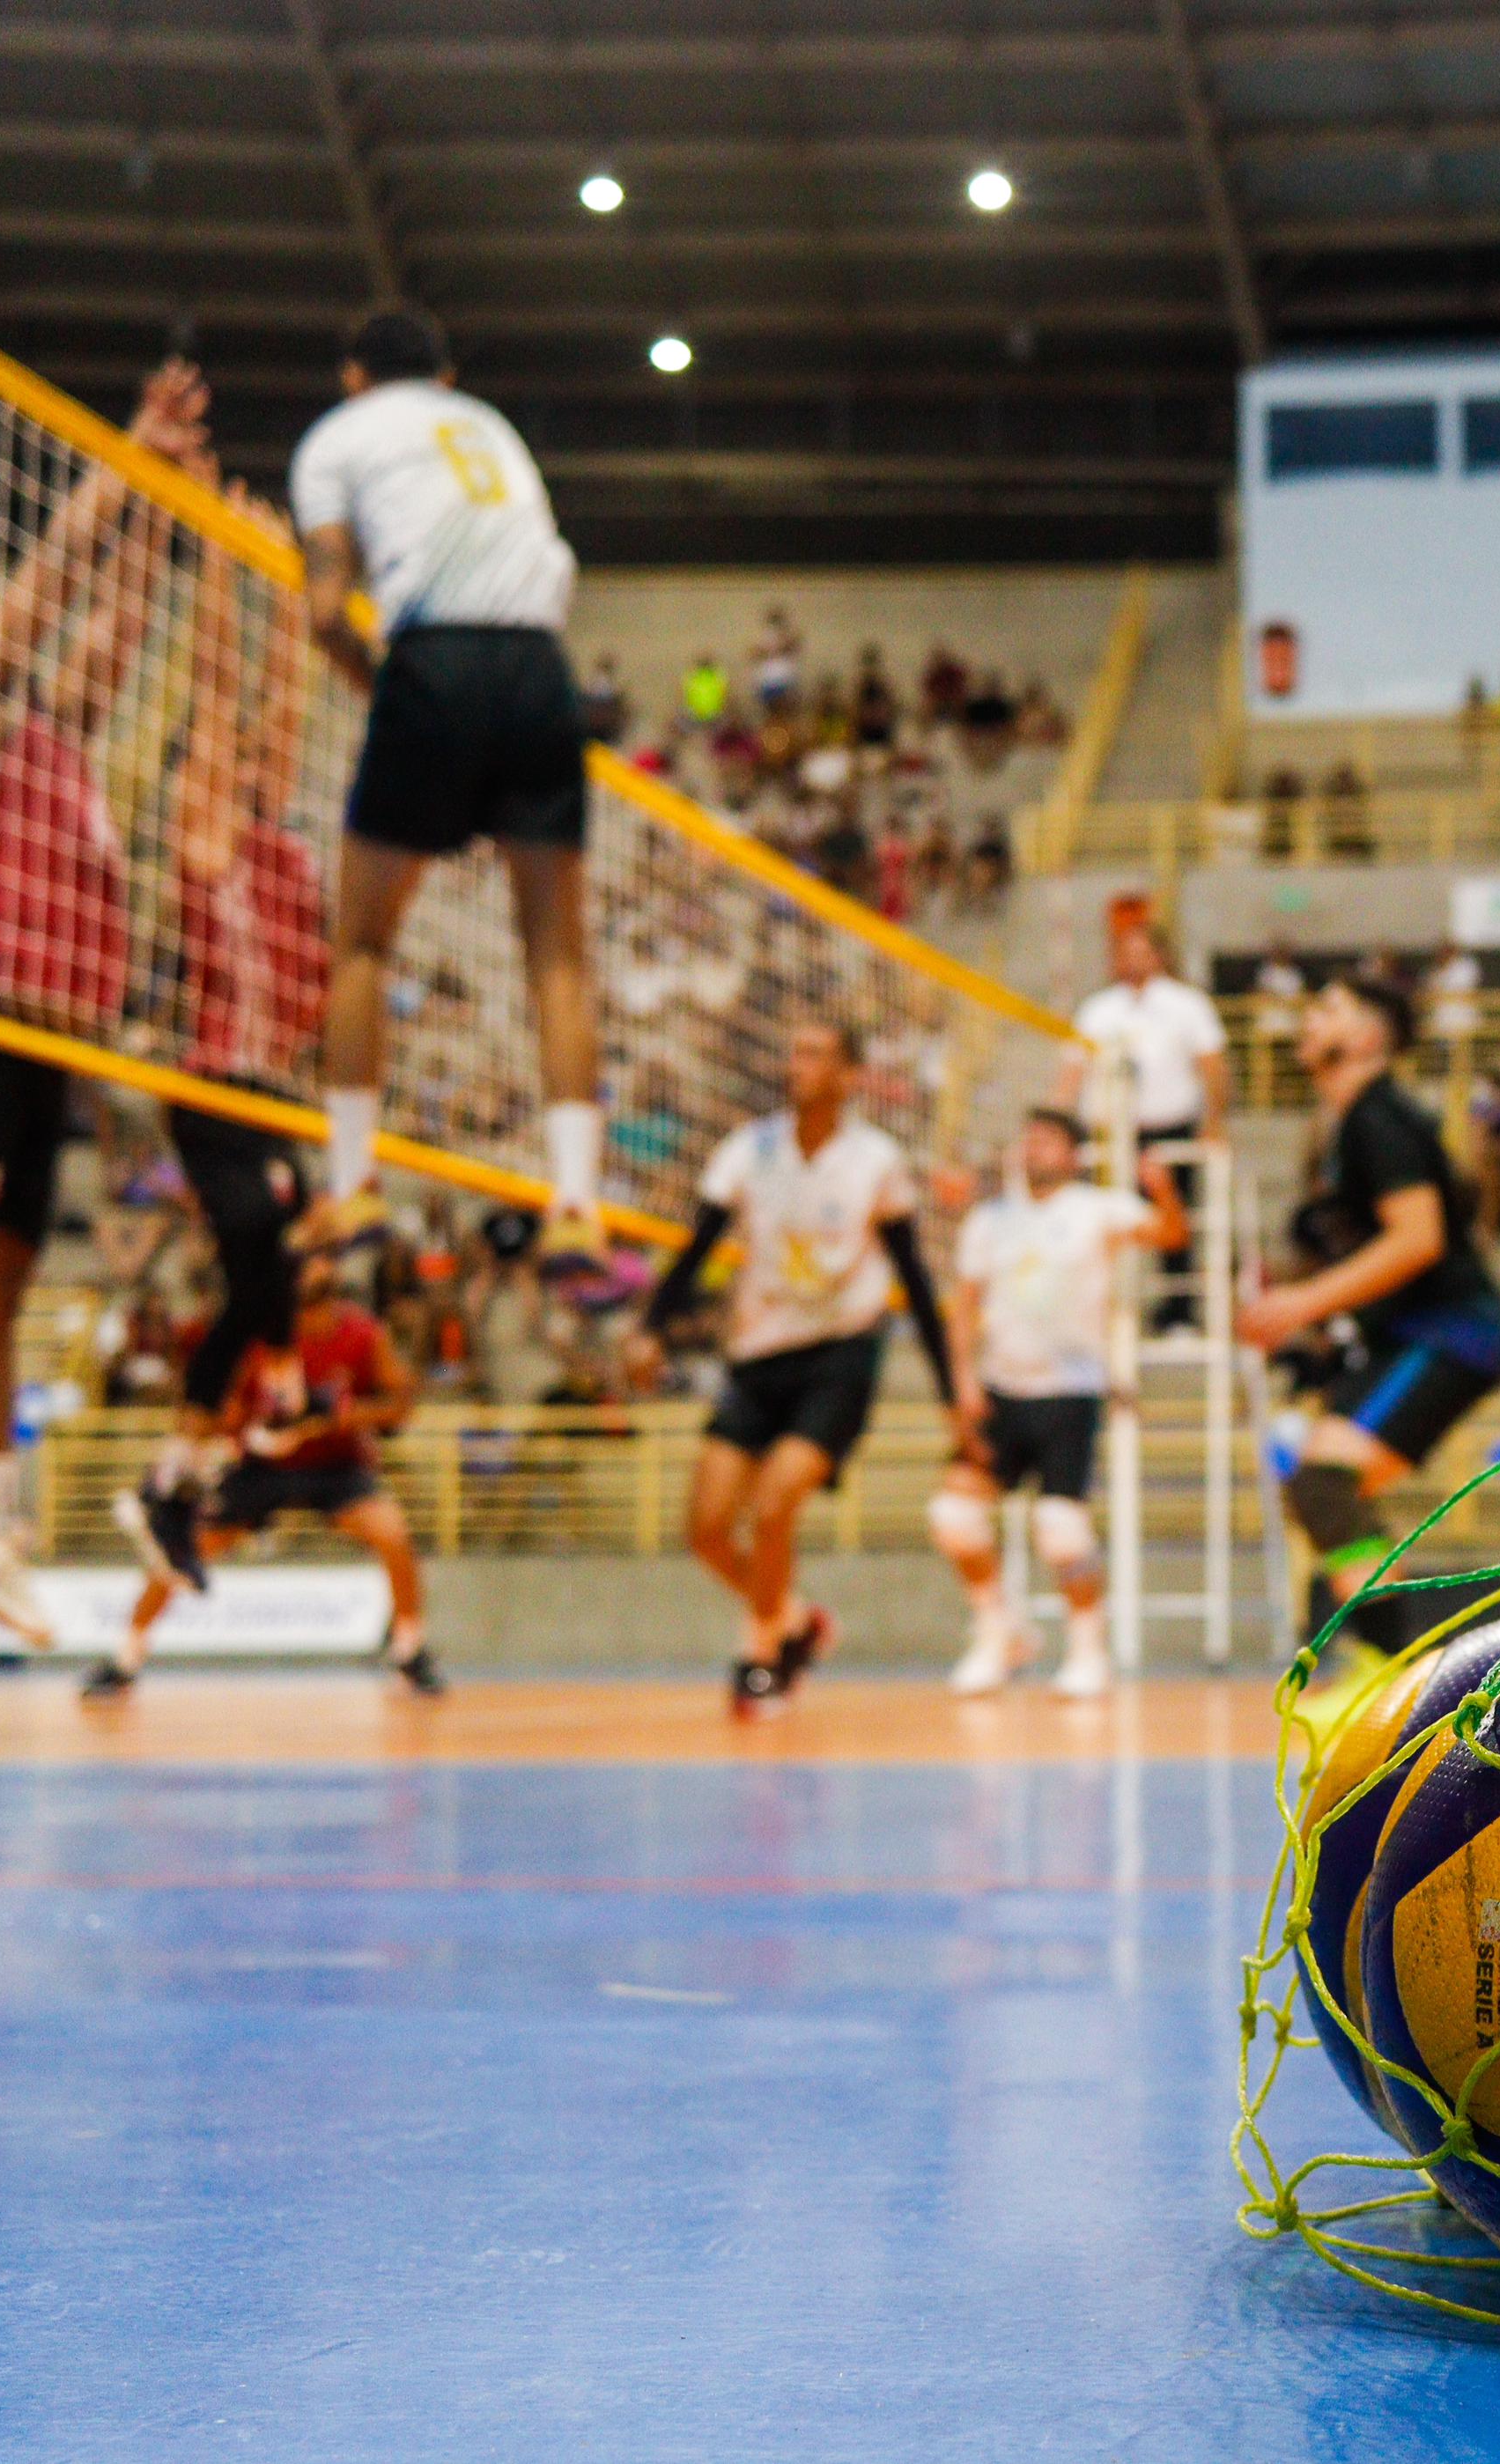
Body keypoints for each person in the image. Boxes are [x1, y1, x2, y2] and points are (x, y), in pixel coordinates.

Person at [0, 357, 214, 1650]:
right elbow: (54, 587)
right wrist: (124, 456)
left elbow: (117, 614)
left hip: (37, 1045)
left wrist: (171, 497)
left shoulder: (67, 746)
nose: (59, 659)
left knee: (5, 1283)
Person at [286, 309, 605, 1283]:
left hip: (435, 661)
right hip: (541, 669)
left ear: (352, 376)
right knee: (557, 957)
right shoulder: (490, 430)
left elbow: (325, 607)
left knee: (363, 945)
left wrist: (385, 690)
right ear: (447, 373)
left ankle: (352, 1185)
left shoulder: (337, 439)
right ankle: (578, 1207)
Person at [116, 483, 330, 1605]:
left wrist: (287, 589)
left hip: (274, 1094)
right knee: (258, 1238)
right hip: (210, 1083)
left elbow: (278, 708)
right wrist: (214, 561)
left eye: (257, 759)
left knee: (259, 1287)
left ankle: (171, 1478)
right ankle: (278, 1381)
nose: (251, 759)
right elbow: (219, 697)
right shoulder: (212, 838)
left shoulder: (279, 829)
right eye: (230, 758)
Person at [619, 1019, 957, 1705]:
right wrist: (651, 1327)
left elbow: (916, 1279)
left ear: (849, 1076)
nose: (796, 1063)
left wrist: (952, 1390)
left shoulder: (875, 1160)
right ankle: (797, 1620)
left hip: (840, 1356)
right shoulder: (749, 1150)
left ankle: (763, 1652)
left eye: (814, 1053)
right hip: (758, 1355)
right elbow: (698, 1247)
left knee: (774, 1508)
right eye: (796, 1051)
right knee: (708, 1531)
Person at [1234, 976, 1500, 1691]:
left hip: (1451, 1332)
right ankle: (1404, 1671)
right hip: (1415, 1333)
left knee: (1325, 1487)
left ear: (1367, 1038)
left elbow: (1416, 1239)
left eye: (1329, 1007)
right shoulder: (1353, 1122)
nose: (1308, 1016)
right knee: (1324, 1494)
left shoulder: (1377, 1119)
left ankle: (1403, 1678)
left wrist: (1302, 1304)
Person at [89, 1253, 440, 1698]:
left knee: (393, 1534)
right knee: (177, 1549)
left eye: (319, 1299)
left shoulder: (364, 1334)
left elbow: (400, 1406)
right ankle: (126, 1656)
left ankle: (409, 1648)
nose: (310, 1314)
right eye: (302, 1302)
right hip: (260, 1467)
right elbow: (226, 1411)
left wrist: (335, 1417)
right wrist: (250, 1429)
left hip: (336, 1466)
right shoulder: (260, 1339)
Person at [926, 1108, 1185, 1699]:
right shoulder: (991, 1220)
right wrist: (961, 1382)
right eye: (1028, 1139)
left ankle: (1089, 1647)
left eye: (1047, 1141)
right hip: (1000, 1390)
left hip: (1070, 1389)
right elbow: (964, 1306)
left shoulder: (1097, 1209)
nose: (1033, 1149)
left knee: (1061, 1527)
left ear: (1073, 1154)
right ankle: (1000, 1631)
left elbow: (1170, 1236)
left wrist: (1164, 1194)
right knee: (953, 1517)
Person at [1060, 915, 1227, 1335]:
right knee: (1103, 1224)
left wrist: (1215, 1122)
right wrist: (1057, 1125)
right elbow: (1070, 1073)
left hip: (1170, 1136)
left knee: (1174, 1225)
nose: (1131, 958)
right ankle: (1105, 1314)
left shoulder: (1187, 1004)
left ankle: (1178, 1314)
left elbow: (1212, 1066)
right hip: (1108, 1137)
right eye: (1124, 950)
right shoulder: (1098, 1008)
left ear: (1159, 954)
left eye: (1140, 949)